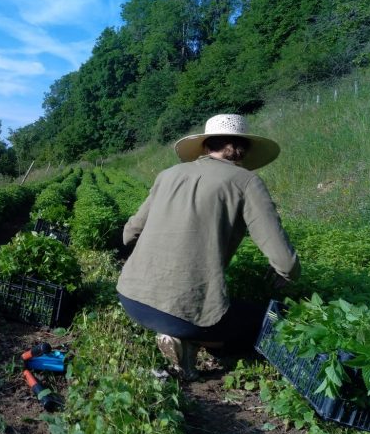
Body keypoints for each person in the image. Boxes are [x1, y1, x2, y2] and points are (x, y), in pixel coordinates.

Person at [116, 114, 300, 379]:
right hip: (184, 315)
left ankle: (182, 335)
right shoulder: (246, 182)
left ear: (205, 145)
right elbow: (286, 262)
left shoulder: (168, 174)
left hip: (131, 298)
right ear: (244, 148)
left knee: (221, 312)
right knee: (268, 322)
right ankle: (189, 340)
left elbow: (129, 234)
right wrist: (288, 274)